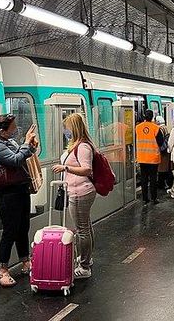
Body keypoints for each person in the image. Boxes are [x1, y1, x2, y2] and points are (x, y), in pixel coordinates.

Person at [0, 114, 37, 287]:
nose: (16, 129)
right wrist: (26, 143)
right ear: (2, 131)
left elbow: (23, 156)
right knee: (10, 231)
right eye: (13, 127)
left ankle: (25, 261)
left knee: (23, 228)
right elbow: (15, 160)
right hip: (6, 194)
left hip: (20, 190)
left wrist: (31, 146)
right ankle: (3, 270)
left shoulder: (10, 142)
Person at [52, 113, 97, 278]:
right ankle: (87, 258)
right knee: (86, 227)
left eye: (67, 128)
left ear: (74, 128)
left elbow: (87, 169)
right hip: (80, 190)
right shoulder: (77, 144)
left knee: (82, 230)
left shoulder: (83, 147)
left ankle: (84, 267)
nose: (65, 131)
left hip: (80, 192)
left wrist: (66, 168)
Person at [135, 110, 164, 204]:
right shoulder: (156, 128)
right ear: (152, 117)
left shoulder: (138, 127)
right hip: (153, 158)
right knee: (153, 179)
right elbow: (161, 142)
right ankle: (154, 198)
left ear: (144, 116)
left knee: (144, 179)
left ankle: (145, 198)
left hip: (142, 157)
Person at [156, 116, 174, 190]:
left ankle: (162, 184)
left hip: (163, 152)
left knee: (162, 170)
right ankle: (169, 183)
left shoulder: (160, 129)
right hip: (167, 151)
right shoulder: (167, 127)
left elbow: (159, 142)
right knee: (167, 169)